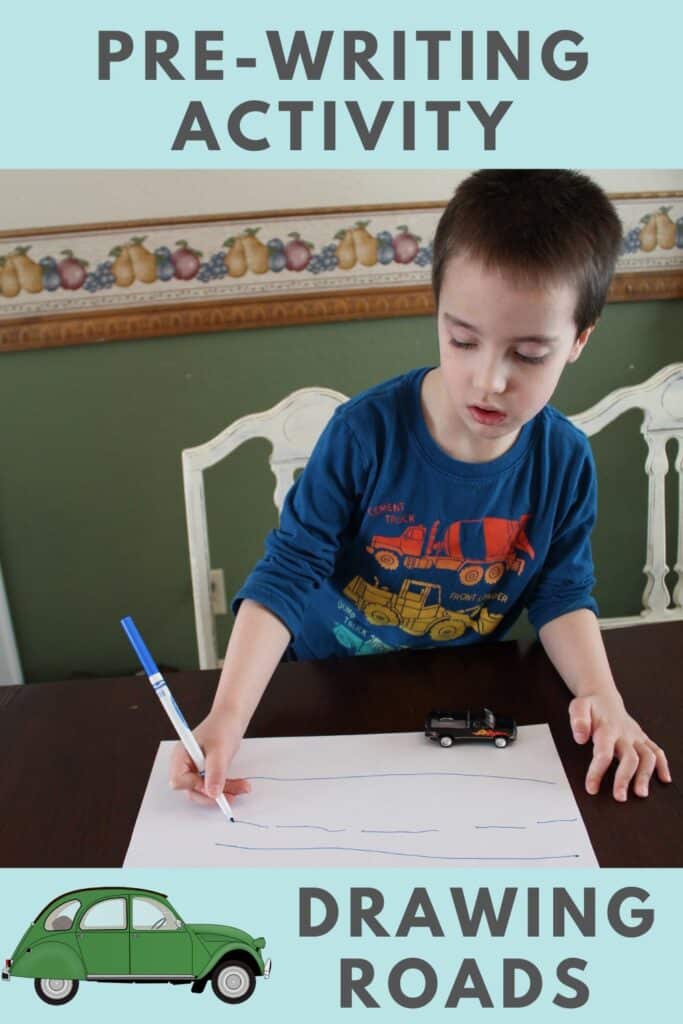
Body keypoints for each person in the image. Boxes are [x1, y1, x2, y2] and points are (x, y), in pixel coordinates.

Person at [170, 169, 671, 808]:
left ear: (578, 340)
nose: (488, 380)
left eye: (528, 354)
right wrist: (230, 716)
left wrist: (604, 696)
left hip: (462, 697)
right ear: (436, 312)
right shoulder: (363, 435)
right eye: (463, 340)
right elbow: (288, 572)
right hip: (326, 681)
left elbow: (561, 592)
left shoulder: (564, 461)